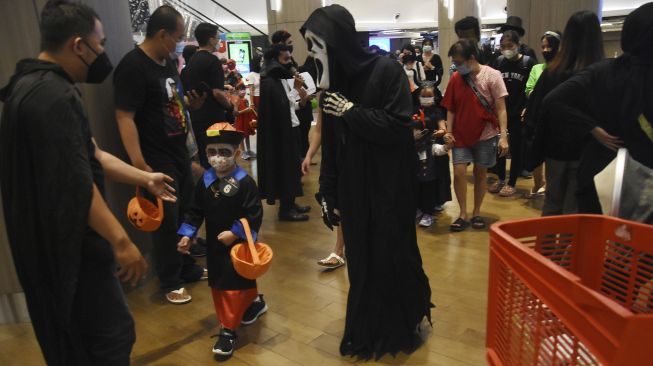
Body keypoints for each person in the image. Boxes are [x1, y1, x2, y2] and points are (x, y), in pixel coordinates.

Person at [0, 1, 175, 363]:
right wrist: (121, 240)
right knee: (110, 337)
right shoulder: (54, 97)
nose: (103, 54)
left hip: (52, 246)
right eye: (101, 44)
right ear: (79, 45)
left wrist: (145, 177)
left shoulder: (29, 84)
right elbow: (76, 181)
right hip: (71, 250)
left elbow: (91, 152)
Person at [302, 4, 432, 359]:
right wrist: (327, 190)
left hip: (391, 185)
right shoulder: (335, 83)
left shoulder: (385, 70)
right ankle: (367, 329)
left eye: (316, 44)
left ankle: (399, 325)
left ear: (336, 40)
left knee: (391, 251)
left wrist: (351, 112)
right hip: (354, 185)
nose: (312, 54)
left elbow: (398, 127)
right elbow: (331, 139)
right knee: (360, 258)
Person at [114, 5, 207, 304]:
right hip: (156, 157)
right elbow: (124, 117)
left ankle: (186, 266)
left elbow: (172, 105)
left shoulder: (167, 62)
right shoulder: (133, 65)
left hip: (179, 152)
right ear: (163, 34)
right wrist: (140, 166)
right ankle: (170, 280)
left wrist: (191, 108)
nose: (180, 43)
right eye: (178, 37)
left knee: (186, 214)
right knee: (167, 221)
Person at [542, 3, 653, 215]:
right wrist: (591, 126)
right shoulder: (608, 69)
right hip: (631, 175)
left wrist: (592, 128)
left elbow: (553, 100)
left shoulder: (605, 69)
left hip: (601, 170)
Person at [177, 123, 266, 357]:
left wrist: (235, 233)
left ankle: (228, 330)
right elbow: (194, 211)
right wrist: (188, 233)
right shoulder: (205, 181)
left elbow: (254, 214)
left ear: (237, 153)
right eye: (212, 152)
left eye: (224, 152)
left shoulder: (245, 183)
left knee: (233, 285)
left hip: (238, 244)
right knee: (222, 283)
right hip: (215, 246)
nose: (217, 158)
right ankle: (254, 302)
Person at [525, 10, 604, 216]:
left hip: (555, 148)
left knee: (552, 202)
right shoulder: (601, 73)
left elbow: (536, 110)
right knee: (573, 207)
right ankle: (566, 249)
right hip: (587, 151)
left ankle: (545, 249)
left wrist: (534, 145)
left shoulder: (552, 72)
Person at [441, 39, 509, 231]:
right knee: (459, 173)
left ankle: (476, 212)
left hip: (486, 135)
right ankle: (462, 213)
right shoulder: (456, 78)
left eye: (459, 61)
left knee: (481, 174)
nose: (457, 65)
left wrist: (503, 136)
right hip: (460, 135)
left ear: (471, 58)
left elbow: (501, 108)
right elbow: (451, 108)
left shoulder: (492, 76)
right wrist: (449, 131)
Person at [257, 44, 311, 221]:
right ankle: (286, 210)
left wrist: (300, 95)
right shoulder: (269, 82)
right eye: (285, 59)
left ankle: (290, 203)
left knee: (292, 168)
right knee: (286, 168)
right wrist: (295, 89)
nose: (290, 62)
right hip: (281, 133)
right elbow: (279, 107)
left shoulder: (278, 80)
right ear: (274, 60)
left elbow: (288, 107)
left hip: (290, 128)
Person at [181, 22, 235, 170]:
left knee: (207, 159)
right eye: (217, 37)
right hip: (214, 120)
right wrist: (230, 106)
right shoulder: (212, 61)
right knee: (220, 160)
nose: (219, 41)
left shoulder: (191, 62)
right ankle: (220, 191)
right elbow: (217, 93)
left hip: (197, 119)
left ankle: (209, 190)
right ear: (211, 39)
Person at [489, 30, 535, 197]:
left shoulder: (528, 63)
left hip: (519, 113)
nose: (507, 49)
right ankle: (501, 178)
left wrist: (528, 107)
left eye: (510, 46)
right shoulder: (499, 62)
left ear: (518, 45)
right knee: (500, 147)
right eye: (503, 46)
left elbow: (533, 87)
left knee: (516, 148)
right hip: (501, 112)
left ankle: (512, 181)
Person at [301, 106, 347, 270]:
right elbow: (319, 130)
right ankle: (339, 250)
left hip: (356, 156)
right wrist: (309, 155)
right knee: (336, 202)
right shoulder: (326, 97)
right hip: (333, 157)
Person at [522, 30, 562, 199]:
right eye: (543, 46)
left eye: (549, 46)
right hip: (539, 115)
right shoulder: (537, 68)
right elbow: (529, 89)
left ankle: (553, 187)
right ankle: (539, 183)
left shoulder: (564, 68)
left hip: (558, 118)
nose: (545, 50)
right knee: (537, 149)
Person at [413, 87, 450, 228]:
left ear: (434, 97)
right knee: (417, 181)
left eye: (429, 96)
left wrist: (437, 134)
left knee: (432, 179)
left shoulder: (437, 111)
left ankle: (432, 206)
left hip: (431, 148)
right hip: (416, 149)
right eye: (423, 96)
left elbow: (443, 128)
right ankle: (418, 207)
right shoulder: (414, 110)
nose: (426, 98)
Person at [234, 83, 257, 159]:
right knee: (242, 137)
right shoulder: (236, 100)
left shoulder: (246, 100)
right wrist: (246, 110)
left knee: (247, 135)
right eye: (241, 90)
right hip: (240, 121)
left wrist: (250, 109)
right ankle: (243, 152)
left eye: (244, 89)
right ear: (237, 91)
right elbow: (235, 113)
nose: (243, 91)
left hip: (246, 120)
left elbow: (248, 109)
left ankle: (249, 150)